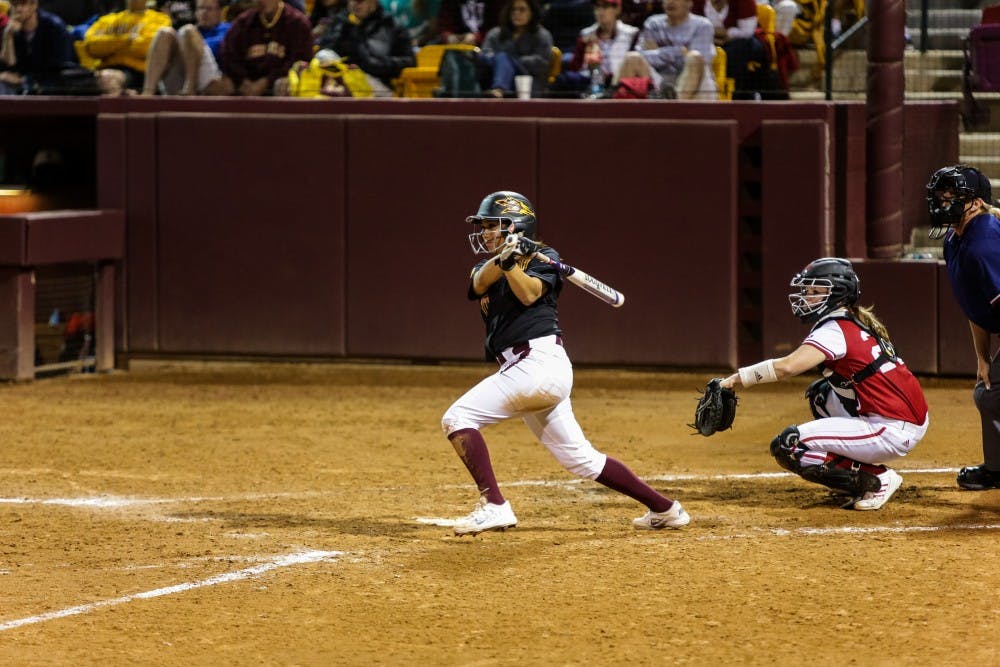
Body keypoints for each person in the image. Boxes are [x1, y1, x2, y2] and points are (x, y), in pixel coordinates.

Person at [441, 191, 690, 535]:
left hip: (537, 363)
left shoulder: (545, 257)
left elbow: (529, 294)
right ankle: (666, 509)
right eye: (482, 226)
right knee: (581, 459)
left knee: (458, 417)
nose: (484, 233)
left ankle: (495, 505)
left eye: (491, 225)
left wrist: (514, 262)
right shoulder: (489, 266)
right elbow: (478, 283)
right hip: (527, 370)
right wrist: (505, 259)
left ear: (515, 226)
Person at [715, 257, 929, 510]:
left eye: (816, 291)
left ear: (837, 294)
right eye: (807, 291)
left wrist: (734, 380)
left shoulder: (834, 329)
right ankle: (857, 469)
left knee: (789, 445)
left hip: (891, 427)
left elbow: (788, 367)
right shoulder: (851, 319)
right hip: (902, 417)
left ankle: (878, 479)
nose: (806, 297)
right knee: (822, 395)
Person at [927, 164, 1000, 490]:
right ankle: (997, 469)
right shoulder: (956, 242)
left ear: (978, 202)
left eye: (954, 197)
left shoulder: (983, 243)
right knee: (990, 393)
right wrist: (983, 358)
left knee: (994, 394)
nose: (944, 204)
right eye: (941, 197)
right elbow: (976, 307)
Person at [316, 0, 416, 95]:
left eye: (360, 1)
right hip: (341, 78)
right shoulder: (340, 23)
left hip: (376, 83)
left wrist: (375, 63)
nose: (354, 4)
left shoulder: (391, 25)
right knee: (323, 55)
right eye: (351, 0)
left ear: (373, 1)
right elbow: (324, 51)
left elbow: (409, 61)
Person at [218, 0, 313, 96]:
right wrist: (242, 79)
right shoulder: (243, 23)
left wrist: (267, 81)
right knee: (225, 83)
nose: (262, 1)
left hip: (280, 86)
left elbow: (301, 60)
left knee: (285, 83)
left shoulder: (298, 23)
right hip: (246, 87)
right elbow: (228, 55)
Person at [625, 0, 716, 99]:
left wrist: (659, 51)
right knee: (632, 58)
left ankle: (675, 109)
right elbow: (642, 56)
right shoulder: (653, 23)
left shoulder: (702, 25)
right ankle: (614, 110)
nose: (670, 2)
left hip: (697, 85)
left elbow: (701, 60)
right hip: (659, 82)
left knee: (694, 58)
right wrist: (679, 51)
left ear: (689, 3)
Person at [81, 0, 172, 95]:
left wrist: (109, 44)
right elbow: (91, 46)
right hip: (104, 69)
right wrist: (128, 39)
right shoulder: (107, 20)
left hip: (140, 74)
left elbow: (147, 48)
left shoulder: (159, 19)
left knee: (108, 79)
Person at [142, 0, 231, 94]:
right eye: (201, 8)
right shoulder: (191, 31)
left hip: (210, 79)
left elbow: (221, 48)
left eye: (209, 9)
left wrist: (191, 43)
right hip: (181, 76)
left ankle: (189, 89)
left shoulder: (226, 29)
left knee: (187, 31)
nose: (204, 12)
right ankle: (147, 93)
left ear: (219, 12)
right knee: (164, 33)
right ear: (195, 12)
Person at [556, 0, 640, 96]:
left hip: (621, 81)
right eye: (597, 7)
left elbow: (636, 66)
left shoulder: (632, 34)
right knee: (563, 79)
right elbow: (575, 67)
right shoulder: (586, 34)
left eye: (605, 7)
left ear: (617, 9)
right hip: (592, 82)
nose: (600, 11)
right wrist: (585, 50)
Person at [478, 0, 553, 97]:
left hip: (527, 81)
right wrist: (500, 61)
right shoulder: (496, 33)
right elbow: (485, 55)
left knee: (503, 57)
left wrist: (513, 61)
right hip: (494, 75)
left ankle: (499, 90)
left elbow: (542, 63)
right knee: (500, 58)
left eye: (522, 10)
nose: (516, 13)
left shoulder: (542, 35)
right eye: (513, 10)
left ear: (532, 13)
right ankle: (498, 90)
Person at [0, 0, 76, 95]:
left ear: (34, 5)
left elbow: (60, 67)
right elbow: (9, 65)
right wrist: (8, 36)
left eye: (23, 4)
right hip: (24, 84)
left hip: (53, 85)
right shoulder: (12, 29)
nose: (18, 9)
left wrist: (24, 80)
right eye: (14, 5)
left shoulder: (53, 26)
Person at [436, 0, 503, 46]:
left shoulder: (496, 2)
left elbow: (500, 27)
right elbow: (443, 26)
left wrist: (477, 37)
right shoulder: (450, 2)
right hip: (457, 47)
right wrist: (448, 36)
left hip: (489, 45)